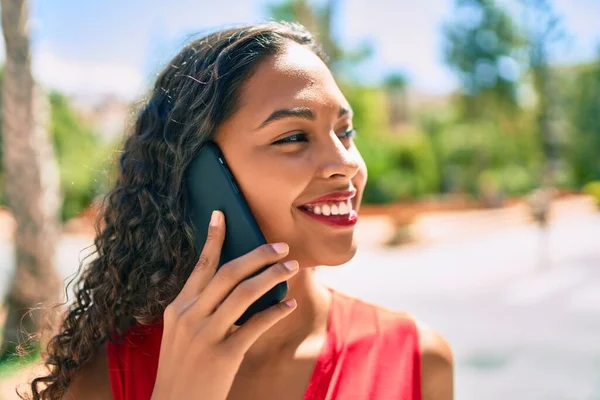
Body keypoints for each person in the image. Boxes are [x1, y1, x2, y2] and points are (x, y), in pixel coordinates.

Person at [24, 21, 453, 400]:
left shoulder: (417, 360)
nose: (346, 163)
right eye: (293, 137)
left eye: (345, 130)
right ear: (198, 175)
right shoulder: (103, 381)